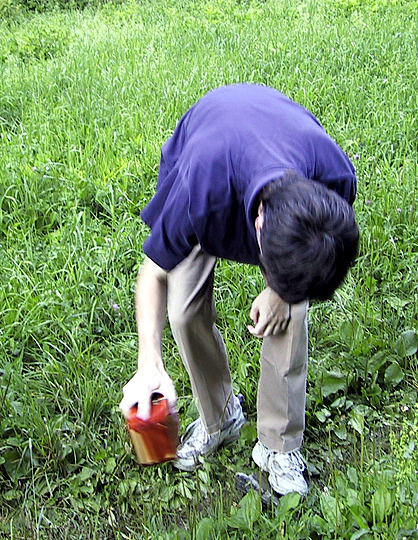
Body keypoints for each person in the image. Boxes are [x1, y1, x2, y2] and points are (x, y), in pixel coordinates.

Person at [119, 83, 359, 497]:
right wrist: (149, 364)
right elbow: (152, 274)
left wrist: (281, 295)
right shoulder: (202, 192)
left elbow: (308, 268)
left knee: (290, 314)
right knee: (182, 310)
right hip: (214, 144)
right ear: (258, 226)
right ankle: (221, 416)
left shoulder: (333, 179)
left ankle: (278, 446)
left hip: (273, 145)